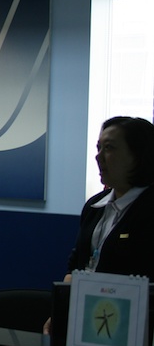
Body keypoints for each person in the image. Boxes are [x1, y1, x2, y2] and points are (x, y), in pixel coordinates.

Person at [44, 116, 154, 334]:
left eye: (109, 148)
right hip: (85, 322)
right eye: (98, 147)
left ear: (138, 156)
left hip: (129, 330)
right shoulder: (94, 206)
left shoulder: (149, 210)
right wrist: (60, 313)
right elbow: (76, 265)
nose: (98, 157)